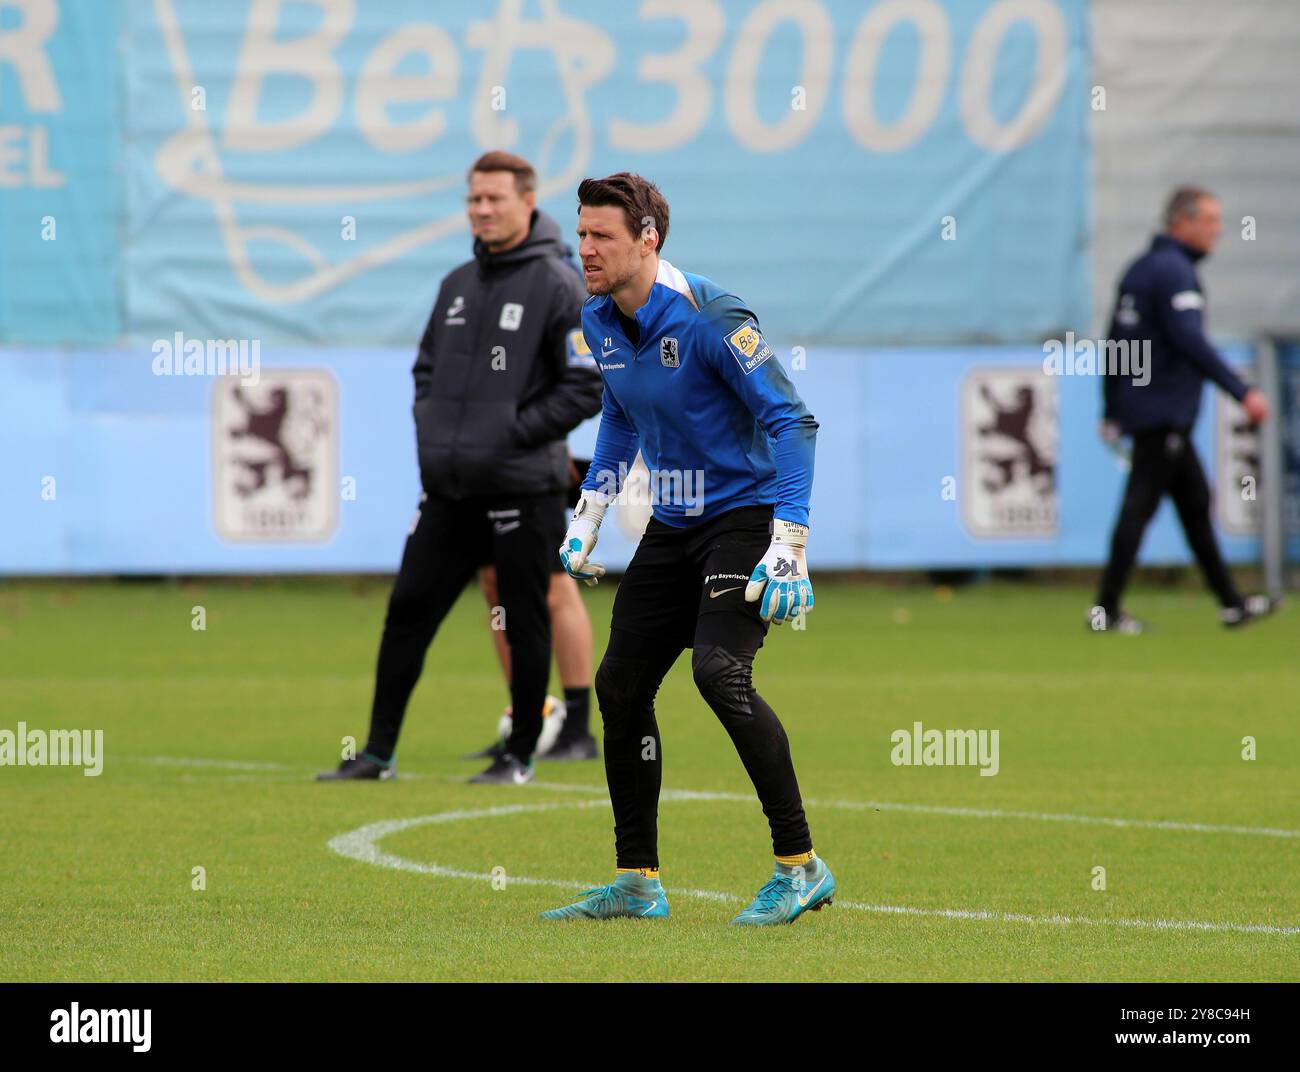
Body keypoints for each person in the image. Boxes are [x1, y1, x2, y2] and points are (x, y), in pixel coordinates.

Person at [540, 173, 834, 926]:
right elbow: (621, 410)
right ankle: (638, 881)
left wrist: (790, 541)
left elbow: (792, 423)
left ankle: (800, 866)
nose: (586, 250)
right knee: (620, 688)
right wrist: (591, 509)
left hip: (744, 517)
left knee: (718, 674)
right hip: (673, 522)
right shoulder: (598, 318)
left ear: (649, 239)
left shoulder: (713, 315)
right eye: (581, 235)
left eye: (602, 236)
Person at [317, 151, 601, 784]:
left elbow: (584, 384)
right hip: (450, 490)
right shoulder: (455, 286)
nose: (482, 209)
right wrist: (436, 428)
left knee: (527, 616)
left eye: (495, 198)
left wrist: (508, 435)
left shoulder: (560, 285)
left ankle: (522, 754)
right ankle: (379, 753)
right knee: (408, 611)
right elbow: (425, 369)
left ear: (528, 203)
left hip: (523, 489)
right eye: (474, 199)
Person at [1093, 185, 1279, 633]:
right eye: (1210, 221)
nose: (1218, 231)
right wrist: (1242, 391)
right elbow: (1189, 340)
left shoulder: (1139, 270)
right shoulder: (1175, 272)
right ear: (1183, 222)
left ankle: (1231, 604)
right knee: (1139, 505)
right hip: (1163, 410)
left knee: (1194, 502)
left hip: (1145, 407)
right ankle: (1105, 611)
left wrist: (1113, 405)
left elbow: (1116, 344)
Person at [468, 453, 598, 762]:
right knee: (494, 581)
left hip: (534, 464)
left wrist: (546, 436)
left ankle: (577, 730)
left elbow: (579, 401)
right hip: (480, 463)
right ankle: (524, 720)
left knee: (554, 585)